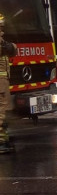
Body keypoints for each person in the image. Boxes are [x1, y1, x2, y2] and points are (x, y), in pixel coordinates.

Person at [0, 13, 17, 155]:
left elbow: (12, 51)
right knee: (1, 111)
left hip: (3, 82)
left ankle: (3, 140)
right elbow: (11, 50)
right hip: (0, 83)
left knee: (4, 112)